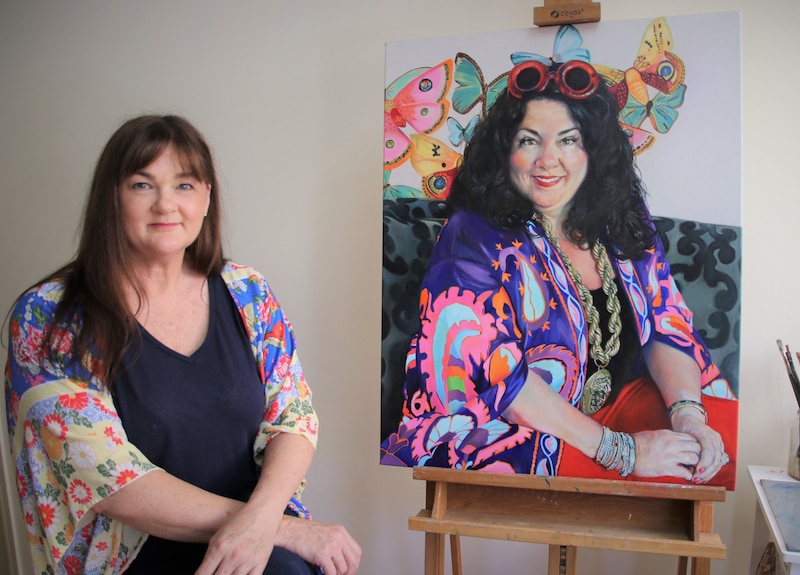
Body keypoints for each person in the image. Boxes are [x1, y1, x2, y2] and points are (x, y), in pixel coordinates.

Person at [4, 115, 361, 574]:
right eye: (142, 185)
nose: (165, 205)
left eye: (185, 185)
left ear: (208, 197)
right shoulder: (49, 317)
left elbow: (293, 417)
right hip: (136, 557)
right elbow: (109, 476)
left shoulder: (247, 291)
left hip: (258, 541)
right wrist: (278, 527)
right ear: (110, 198)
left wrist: (264, 520)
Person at [380, 59, 737, 486]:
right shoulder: (471, 235)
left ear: (595, 149)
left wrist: (688, 415)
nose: (548, 161)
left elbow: (666, 323)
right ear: (504, 148)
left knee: (719, 449)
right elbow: (504, 384)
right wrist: (623, 452)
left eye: (569, 141)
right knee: (663, 476)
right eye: (529, 140)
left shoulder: (622, 217)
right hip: (515, 429)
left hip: (620, 411)